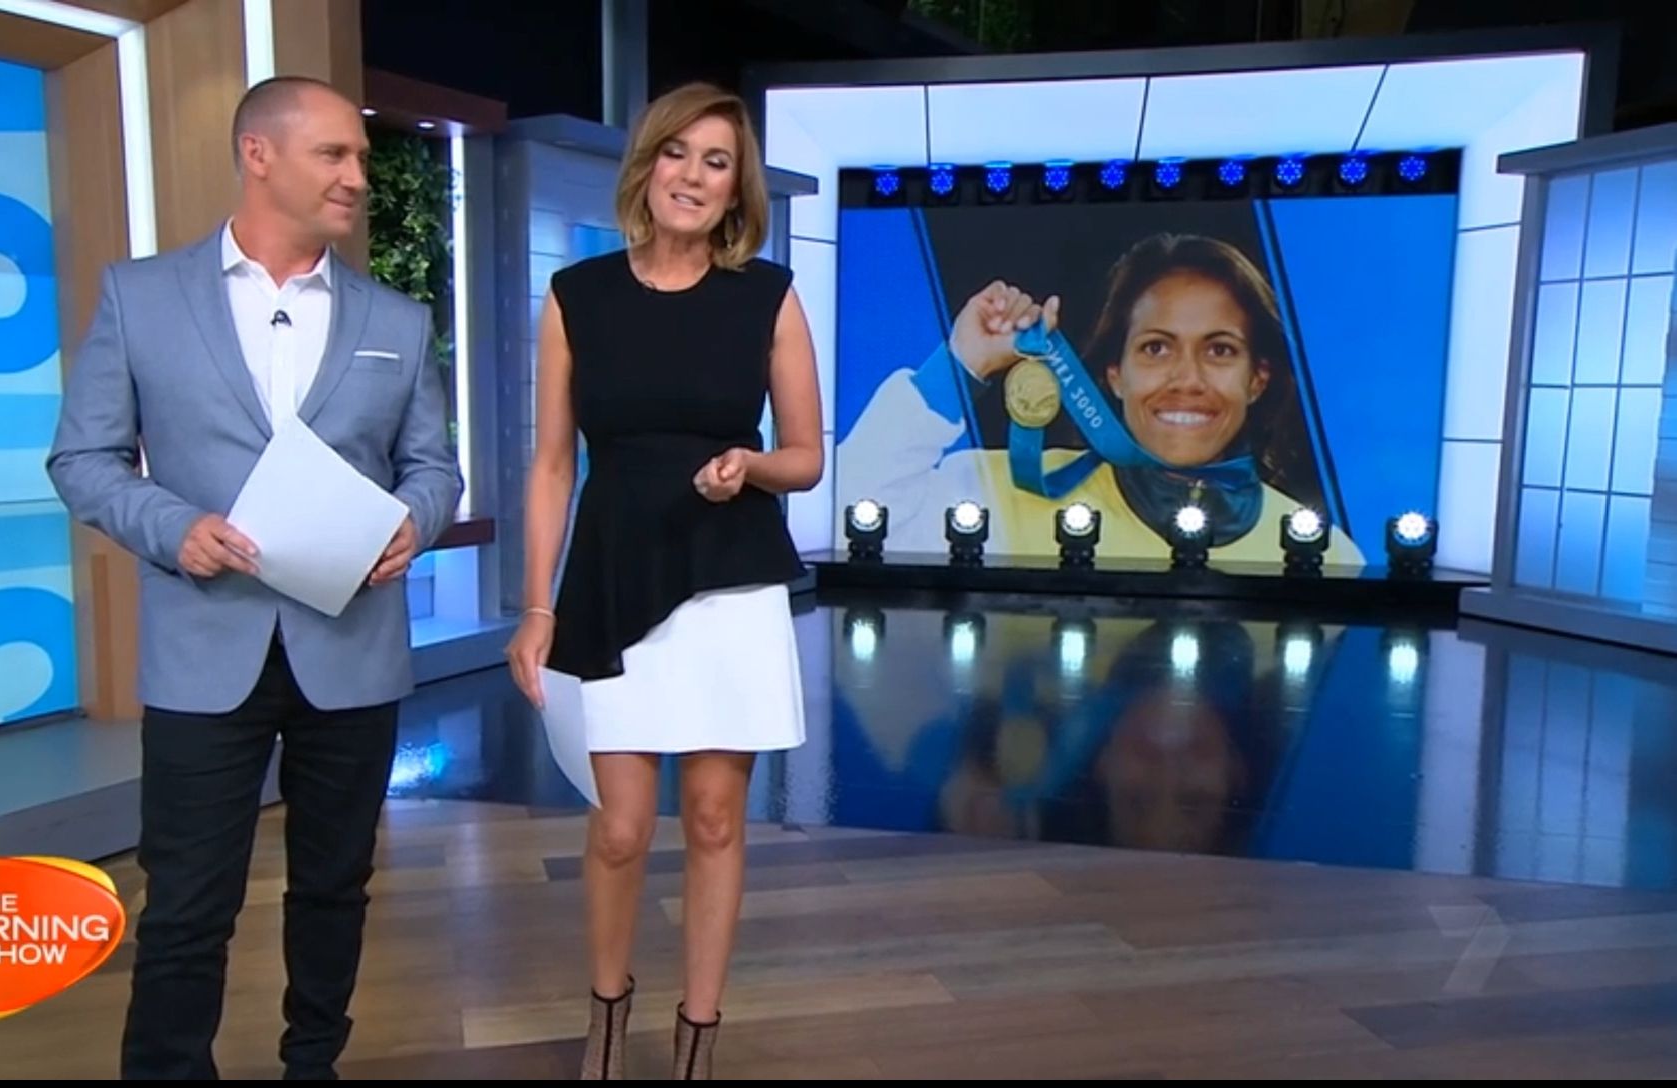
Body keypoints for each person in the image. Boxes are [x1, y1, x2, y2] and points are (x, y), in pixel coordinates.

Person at [46, 75, 460, 1080]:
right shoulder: (140, 296)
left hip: (352, 651)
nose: (357, 176)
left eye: (360, 158)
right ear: (258, 154)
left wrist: (414, 521)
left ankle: (311, 1063)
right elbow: (82, 458)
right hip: (202, 651)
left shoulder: (396, 320)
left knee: (334, 888)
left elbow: (434, 468)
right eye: (334, 154)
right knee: (186, 902)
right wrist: (173, 527)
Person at [504, 81, 823, 1080]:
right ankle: (606, 1021)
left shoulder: (767, 296)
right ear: (646, 167)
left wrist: (750, 466)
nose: (692, 175)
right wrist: (536, 604)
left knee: (718, 818)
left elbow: (806, 456)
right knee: (621, 827)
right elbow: (551, 463)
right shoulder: (577, 296)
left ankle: (696, 1043)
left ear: (736, 189)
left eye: (715, 162)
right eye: (677, 153)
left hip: (727, 576)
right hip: (613, 572)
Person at [838, 233, 1364, 566]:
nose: (1188, 379)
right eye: (1156, 348)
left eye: (1220, 350)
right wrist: (959, 366)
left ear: (1257, 379)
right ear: (1115, 374)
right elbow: (844, 520)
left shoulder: (1327, 552)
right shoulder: (1002, 494)